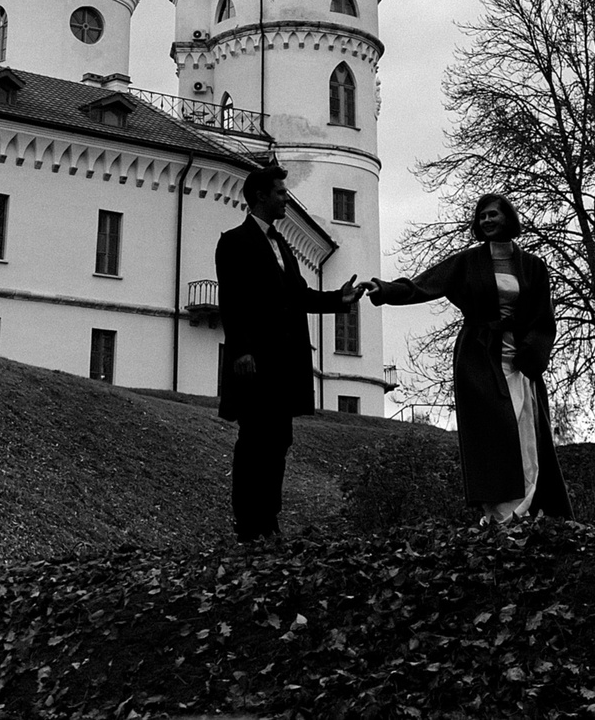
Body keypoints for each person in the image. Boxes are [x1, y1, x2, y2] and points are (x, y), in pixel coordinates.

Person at [368, 192, 568, 522]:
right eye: (482, 216)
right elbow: (424, 284)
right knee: (492, 435)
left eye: (493, 214)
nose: (487, 220)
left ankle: (525, 510)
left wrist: (531, 352)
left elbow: (543, 319)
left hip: (518, 361)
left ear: (509, 218)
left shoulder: (532, 267)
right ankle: (499, 514)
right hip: (479, 359)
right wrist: (386, 291)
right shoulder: (468, 262)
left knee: (525, 433)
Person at [215, 162, 361, 543]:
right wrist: (242, 352)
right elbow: (232, 301)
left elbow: (298, 296)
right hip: (256, 361)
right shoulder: (234, 241)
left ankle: (269, 520)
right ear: (261, 196)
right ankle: (249, 524)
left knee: (278, 440)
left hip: (285, 361)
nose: (286, 198)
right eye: (280, 193)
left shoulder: (283, 245)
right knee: (254, 441)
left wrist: (338, 300)